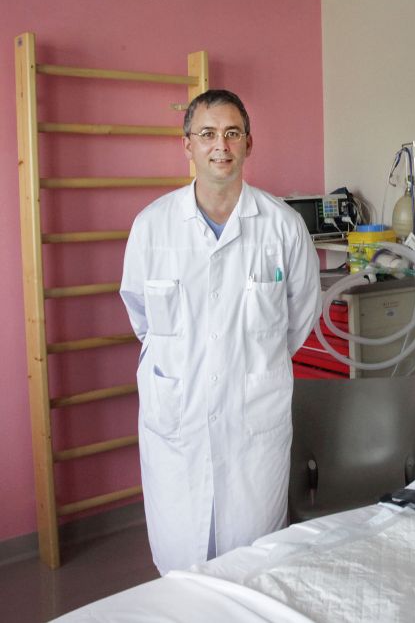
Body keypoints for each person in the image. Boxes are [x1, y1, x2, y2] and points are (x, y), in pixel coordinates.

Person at [120, 89, 321, 574]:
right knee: (180, 564)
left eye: (232, 134)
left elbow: (300, 316)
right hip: (179, 420)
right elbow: (142, 317)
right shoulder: (152, 227)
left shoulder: (283, 227)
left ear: (249, 144)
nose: (221, 146)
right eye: (207, 134)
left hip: (254, 421)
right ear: (186, 144)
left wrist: (248, 364)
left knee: (254, 564)